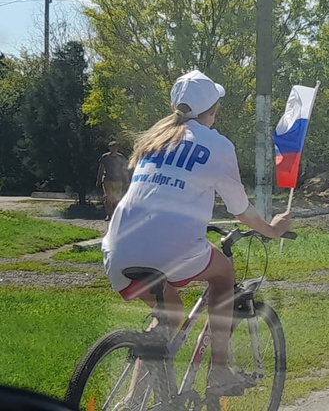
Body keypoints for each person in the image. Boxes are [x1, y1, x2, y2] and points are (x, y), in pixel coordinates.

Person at [101, 70, 293, 395]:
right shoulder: (217, 145)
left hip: (118, 250)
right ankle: (219, 373)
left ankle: (132, 400)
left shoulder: (154, 140)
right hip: (173, 250)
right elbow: (240, 210)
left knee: (168, 315)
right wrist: (271, 229)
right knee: (223, 275)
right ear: (212, 111)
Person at [96, 141, 130, 221]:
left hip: (118, 180)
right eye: (112, 147)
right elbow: (101, 169)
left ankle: (115, 215)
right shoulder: (105, 157)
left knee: (116, 199)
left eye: (115, 147)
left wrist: (127, 179)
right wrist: (99, 179)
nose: (114, 149)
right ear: (109, 148)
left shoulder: (121, 157)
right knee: (108, 198)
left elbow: (124, 169)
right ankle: (108, 215)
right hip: (107, 179)